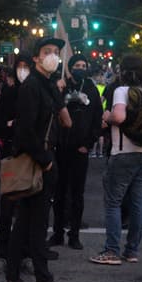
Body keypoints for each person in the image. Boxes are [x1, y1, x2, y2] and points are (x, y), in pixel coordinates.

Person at [6, 36, 74, 282]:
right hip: (37, 161)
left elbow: (66, 121)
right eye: (47, 52)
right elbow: (23, 130)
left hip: (41, 159)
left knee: (24, 221)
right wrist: (44, 159)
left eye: (57, 52)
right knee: (36, 223)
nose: (53, 56)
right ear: (36, 58)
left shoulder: (47, 85)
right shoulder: (32, 86)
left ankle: (13, 279)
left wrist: (59, 92)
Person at [92, 53, 142, 266]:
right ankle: (132, 250)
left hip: (123, 153)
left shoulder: (122, 91)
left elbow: (118, 117)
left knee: (113, 202)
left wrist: (107, 117)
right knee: (137, 203)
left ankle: (111, 250)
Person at [49, 53, 103, 250]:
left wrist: (88, 144)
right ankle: (57, 233)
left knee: (77, 193)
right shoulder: (62, 86)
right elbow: (52, 110)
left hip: (81, 148)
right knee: (59, 192)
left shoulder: (91, 88)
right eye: (77, 65)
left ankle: (74, 235)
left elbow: (97, 118)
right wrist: (58, 90)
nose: (81, 67)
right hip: (62, 146)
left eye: (84, 64)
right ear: (70, 68)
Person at [0, 54, 33, 274]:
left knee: (27, 208)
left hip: (30, 157)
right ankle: (2, 253)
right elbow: (1, 124)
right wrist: (13, 124)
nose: (23, 71)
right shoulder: (10, 92)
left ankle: (24, 253)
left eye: (27, 67)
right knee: (7, 207)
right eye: (20, 67)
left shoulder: (36, 91)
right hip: (11, 156)